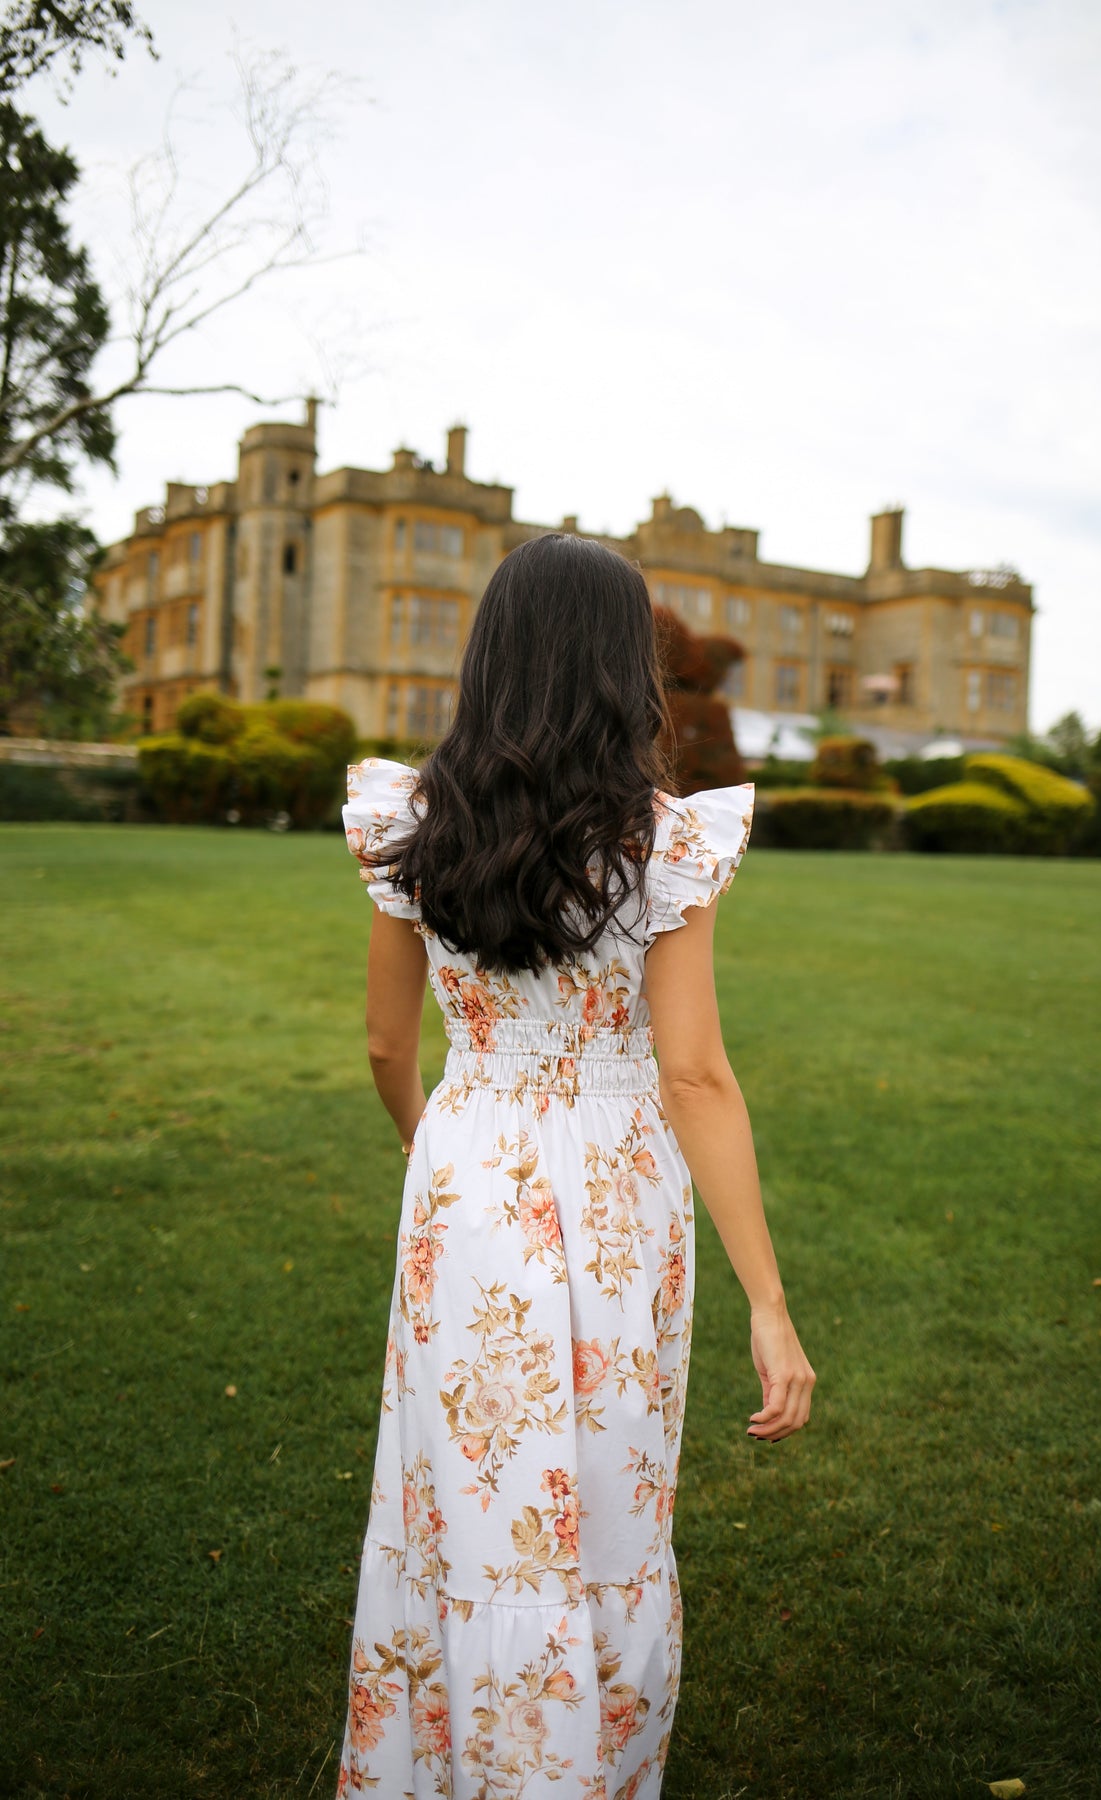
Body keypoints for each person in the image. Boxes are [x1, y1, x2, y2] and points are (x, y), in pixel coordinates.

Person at [336, 533, 815, 1799]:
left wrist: (443, 1153)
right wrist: (770, 1302)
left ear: (491, 655)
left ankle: (446, 1762)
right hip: (615, 1184)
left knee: (466, 1487)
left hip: (465, 1170)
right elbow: (696, 1074)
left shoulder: (413, 822)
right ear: (624, 667)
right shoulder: (663, 844)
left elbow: (391, 1045)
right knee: (603, 1488)